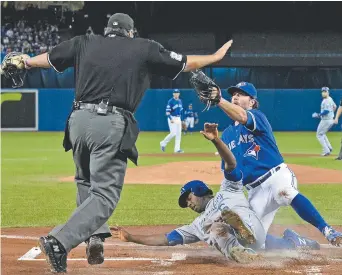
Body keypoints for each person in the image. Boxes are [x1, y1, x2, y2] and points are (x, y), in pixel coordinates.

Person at [20, 13, 233, 273]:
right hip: (109, 123)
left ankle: (94, 236)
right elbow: (187, 62)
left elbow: (49, 58)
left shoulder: (84, 41)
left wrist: (26, 62)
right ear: (130, 33)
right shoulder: (143, 47)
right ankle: (58, 241)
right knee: (105, 195)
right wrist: (215, 57)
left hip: (76, 121)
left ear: (107, 30)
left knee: (85, 181)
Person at [211, 81, 342, 249]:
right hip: (255, 191)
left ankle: (328, 230)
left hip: (276, 177)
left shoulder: (256, 116)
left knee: (285, 193)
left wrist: (220, 100)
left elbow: (242, 117)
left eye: (241, 94)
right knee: (251, 243)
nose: (235, 96)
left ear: (252, 102)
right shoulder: (227, 134)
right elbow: (231, 173)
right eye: (233, 94)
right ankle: (295, 243)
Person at [113, 122, 266, 264]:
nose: (188, 204)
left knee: (227, 216)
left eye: (188, 198)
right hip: (243, 243)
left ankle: (242, 229)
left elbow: (231, 163)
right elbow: (165, 239)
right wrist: (131, 237)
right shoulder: (197, 225)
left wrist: (215, 141)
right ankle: (240, 251)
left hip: (255, 230)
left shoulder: (228, 188)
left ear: (199, 191)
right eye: (186, 203)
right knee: (216, 228)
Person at [312, 87, 337, 156]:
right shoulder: (330, 99)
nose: (323, 92)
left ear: (328, 92)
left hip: (326, 120)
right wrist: (332, 114)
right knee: (322, 133)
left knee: (319, 135)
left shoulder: (326, 101)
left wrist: (319, 114)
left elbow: (326, 111)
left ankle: (326, 150)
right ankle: (329, 147)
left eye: (325, 91)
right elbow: (335, 106)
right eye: (323, 91)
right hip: (330, 119)